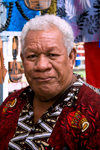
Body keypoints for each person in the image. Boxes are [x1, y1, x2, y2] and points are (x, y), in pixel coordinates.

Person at [0, 14, 100, 150]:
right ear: (23, 60)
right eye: (32, 56)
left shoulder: (95, 110)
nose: (41, 65)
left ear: (71, 57)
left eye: (52, 55)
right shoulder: (11, 103)